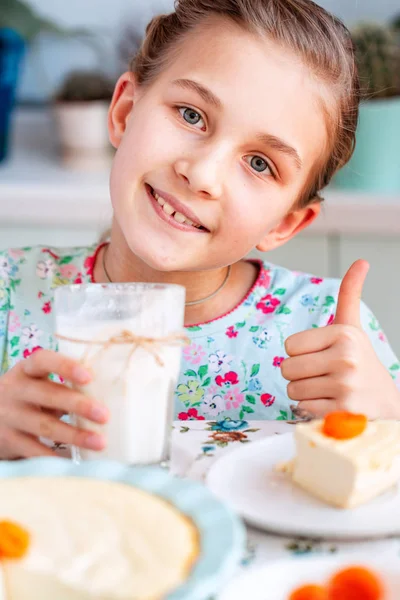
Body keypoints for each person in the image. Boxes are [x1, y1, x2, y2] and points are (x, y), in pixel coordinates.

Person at [0, 0, 399, 460]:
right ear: (125, 113)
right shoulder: (10, 294)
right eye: (191, 115)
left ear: (286, 223)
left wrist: (389, 427)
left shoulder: (331, 332)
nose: (203, 175)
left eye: (259, 164)